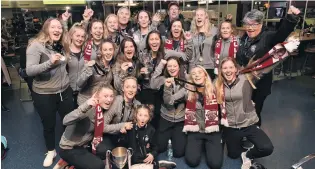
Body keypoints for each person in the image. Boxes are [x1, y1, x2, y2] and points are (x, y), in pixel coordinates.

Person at [236, 6, 300, 127]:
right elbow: (240, 56)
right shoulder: (244, 38)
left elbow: (281, 34)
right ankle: (243, 132)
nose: (250, 27)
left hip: (260, 83)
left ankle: (254, 134)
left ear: (260, 24)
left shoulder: (268, 36)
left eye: (253, 24)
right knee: (243, 109)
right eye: (247, 24)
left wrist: (291, 18)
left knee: (254, 110)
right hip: (244, 81)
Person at [26, 18, 74, 167]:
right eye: (53, 27)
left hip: (64, 90)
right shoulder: (35, 46)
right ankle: (51, 150)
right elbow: (30, 70)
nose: (57, 30)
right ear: (46, 29)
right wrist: (49, 62)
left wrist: (65, 23)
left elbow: (68, 34)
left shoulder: (60, 44)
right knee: (49, 125)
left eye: (59, 28)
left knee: (69, 122)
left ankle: (69, 150)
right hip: (44, 94)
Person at [215, 57, 274, 169]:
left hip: (248, 123)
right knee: (233, 155)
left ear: (236, 69)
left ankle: (247, 154)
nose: (228, 70)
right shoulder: (217, 84)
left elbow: (265, 68)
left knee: (267, 148)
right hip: (231, 126)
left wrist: (284, 53)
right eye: (225, 68)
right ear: (221, 71)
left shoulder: (246, 78)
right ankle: (238, 147)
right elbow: (200, 84)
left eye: (231, 67)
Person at [163, 66, 223, 168]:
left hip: (212, 131)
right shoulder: (188, 90)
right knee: (192, 162)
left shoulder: (214, 88)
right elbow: (169, 101)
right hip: (195, 130)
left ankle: (211, 146)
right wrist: (167, 87)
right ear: (191, 78)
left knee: (215, 165)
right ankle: (201, 146)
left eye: (200, 72)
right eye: (194, 74)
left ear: (205, 75)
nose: (197, 75)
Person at [57, 83, 115, 169]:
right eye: (105, 96)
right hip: (70, 148)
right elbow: (65, 120)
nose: (109, 99)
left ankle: (80, 162)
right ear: (97, 96)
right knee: (98, 166)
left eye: (111, 96)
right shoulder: (87, 109)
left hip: (85, 144)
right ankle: (67, 163)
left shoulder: (101, 110)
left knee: (108, 150)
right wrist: (86, 105)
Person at [150, 57, 187, 158]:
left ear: (179, 67)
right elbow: (152, 84)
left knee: (179, 153)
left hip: (180, 120)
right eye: (169, 66)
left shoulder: (186, 79)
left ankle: (174, 138)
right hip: (165, 119)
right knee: (160, 148)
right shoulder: (163, 79)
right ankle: (168, 137)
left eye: (175, 66)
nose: (172, 68)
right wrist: (161, 65)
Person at [96, 76, 141, 160]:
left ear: (137, 88)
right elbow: (102, 127)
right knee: (103, 150)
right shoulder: (116, 102)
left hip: (125, 135)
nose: (131, 90)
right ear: (123, 88)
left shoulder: (138, 104)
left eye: (133, 87)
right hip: (110, 135)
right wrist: (121, 126)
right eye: (127, 87)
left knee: (136, 152)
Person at [124, 105, 176, 169]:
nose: (142, 118)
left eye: (146, 116)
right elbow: (123, 143)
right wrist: (123, 132)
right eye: (140, 115)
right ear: (136, 115)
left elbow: (156, 147)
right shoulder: (130, 128)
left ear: (149, 117)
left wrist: (152, 154)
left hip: (147, 159)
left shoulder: (151, 130)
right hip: (133, 160)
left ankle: (160, 165)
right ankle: (159, 165)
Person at [137, 30, 165, 128]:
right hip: (145, 91)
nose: (154, 42)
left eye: (156, 39)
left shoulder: (165, 55)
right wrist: (140, 73)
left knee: (156, 120)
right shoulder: (142, 56)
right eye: (151, 39)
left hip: (159, 91)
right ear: (148, 42)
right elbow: (137, 75)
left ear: (160, 41)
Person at [77, 40, 115, 105]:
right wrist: (87, 70)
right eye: (105, 50)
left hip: (101, 101)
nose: (108, 52)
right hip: (87, 100)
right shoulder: (93, 64)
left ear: (114, 51)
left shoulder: (113, 66)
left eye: (110, 49)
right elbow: (79, 84)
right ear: (101, 51)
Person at [190, 8, 218, 80]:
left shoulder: (214, 31)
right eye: (197, 15)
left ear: (206, 17)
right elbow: (191, 54)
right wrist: (190, 70)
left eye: (201, 15)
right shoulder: (192, 33)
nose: (199, 17)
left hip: (210, 67)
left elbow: (218, 49)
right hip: (196, 68)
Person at [66, 23, 86, 108]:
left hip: (83, 91)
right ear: (71, 36)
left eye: (82, 36)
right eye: (77, 36)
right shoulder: (65, 51)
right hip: (68, 91)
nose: (80, 39)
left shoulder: (87, 52)